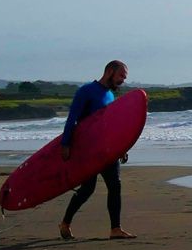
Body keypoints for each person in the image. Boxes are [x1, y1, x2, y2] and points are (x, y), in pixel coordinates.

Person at [58, 60, 135, 240]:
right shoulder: (86, 91)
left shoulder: (110, 95)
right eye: (121, 75)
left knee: (115, 186)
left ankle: (115, 229)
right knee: (87, 189)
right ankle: (65, 223)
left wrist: (121, 148)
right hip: (89, 151)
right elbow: (72, 118)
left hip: (107, 151)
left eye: (124, 77)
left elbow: (111, 127)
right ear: (109, 71)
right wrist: (65, 144)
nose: (123, 79)